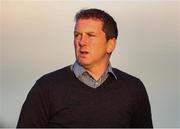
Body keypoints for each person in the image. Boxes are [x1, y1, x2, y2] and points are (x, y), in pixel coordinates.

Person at [17, 8, 153, 128]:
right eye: (77, 35)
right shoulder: (46, 87)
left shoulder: (133, 89)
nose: (82, 42)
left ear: (110, 44)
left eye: (91, 35)